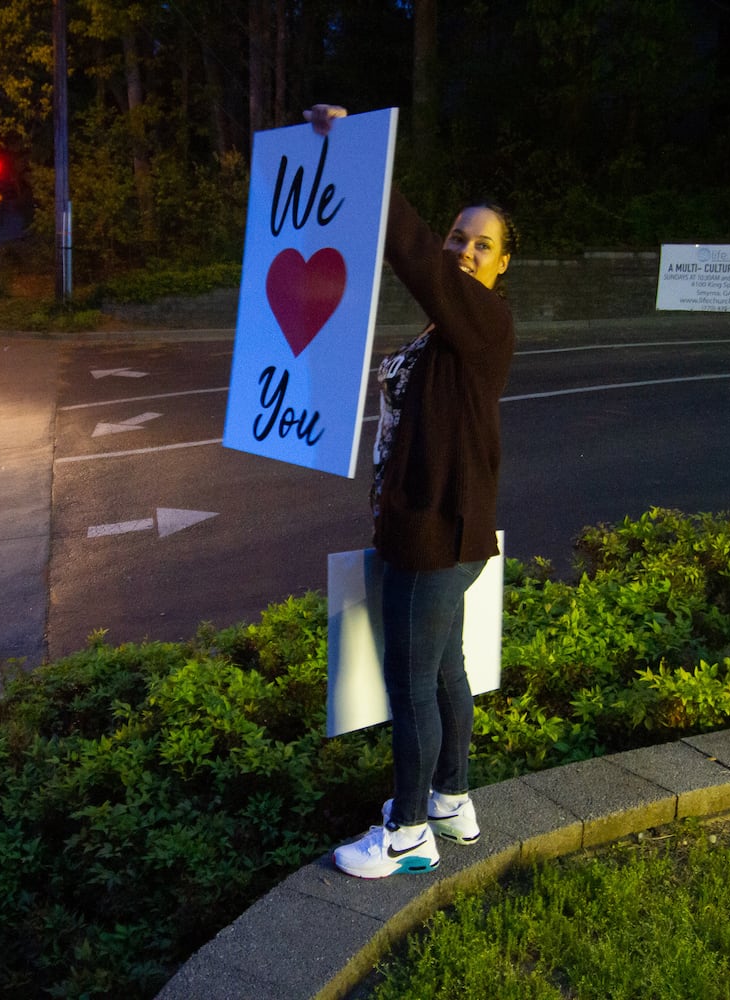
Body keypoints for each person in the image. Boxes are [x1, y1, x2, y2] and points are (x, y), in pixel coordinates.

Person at [307, 105, 517, 879]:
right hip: (436, 531)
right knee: (446, 672)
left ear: (500, 267)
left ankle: (404, 835)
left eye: (480, 244)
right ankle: (451, 801)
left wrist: (361, 165)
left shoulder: (481, 318)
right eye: (458, 237)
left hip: (434, 536)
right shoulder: (445, 332)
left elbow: (414, 261)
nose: (463, 250)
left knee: (410, 686)